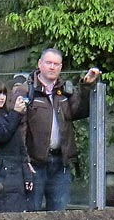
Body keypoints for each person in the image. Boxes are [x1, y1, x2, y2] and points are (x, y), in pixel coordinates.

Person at [11, 48, 101, 211]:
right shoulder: (26, 91)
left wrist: (86, 86)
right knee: (33, 213)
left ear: (60, 67)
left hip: (61, 163)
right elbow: (19, 128)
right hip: (35, 163)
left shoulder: (65, 90)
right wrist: (24, 161)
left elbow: (79, 112)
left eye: (56, 64)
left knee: (60, 215)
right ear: (40, 64)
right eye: (49, 63)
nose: (52, 67)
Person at [0, 79, 32, 213]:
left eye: (3, 94)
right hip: (0, 173)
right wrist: (16, 113)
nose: (2, 97)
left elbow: (21, 148)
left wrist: (27, 175)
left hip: (16, 173)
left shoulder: (9, 114)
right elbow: (1, 135)